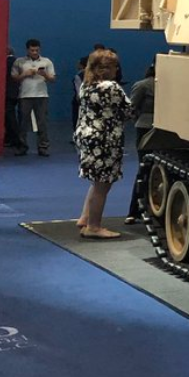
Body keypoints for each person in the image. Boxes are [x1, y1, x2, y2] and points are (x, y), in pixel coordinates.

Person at [74, 49, 134, 240]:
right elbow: (129, 111)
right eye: (114, 66)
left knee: (97, 181)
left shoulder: (86, 85)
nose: (117, 70)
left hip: (88, 137)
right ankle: (93, 227)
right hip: (105, 140)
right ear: (105, 69)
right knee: (103, 185)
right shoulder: (111, 87)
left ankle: (85, 217)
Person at [10, 38, 56, 156]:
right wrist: (24, 74)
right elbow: (14, 78)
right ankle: (22, 146)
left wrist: (45, 74)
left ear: (39, 49)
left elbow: (53, 79)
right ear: (27, 50)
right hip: (24, 96)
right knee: (23, 123)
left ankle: (43, 147)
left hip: (41, 95)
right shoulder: (19, 62)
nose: (35, 52)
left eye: (37, 50)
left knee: (42, 122)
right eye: (32, 50)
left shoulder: (46, 62)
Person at [3, 47, 18, 149]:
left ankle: (14, 138)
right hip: (14, 93)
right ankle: (9, 137)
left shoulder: (7, 62)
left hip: (8, 93)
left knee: (9, 117)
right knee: (9, 116)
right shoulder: (16, 61)